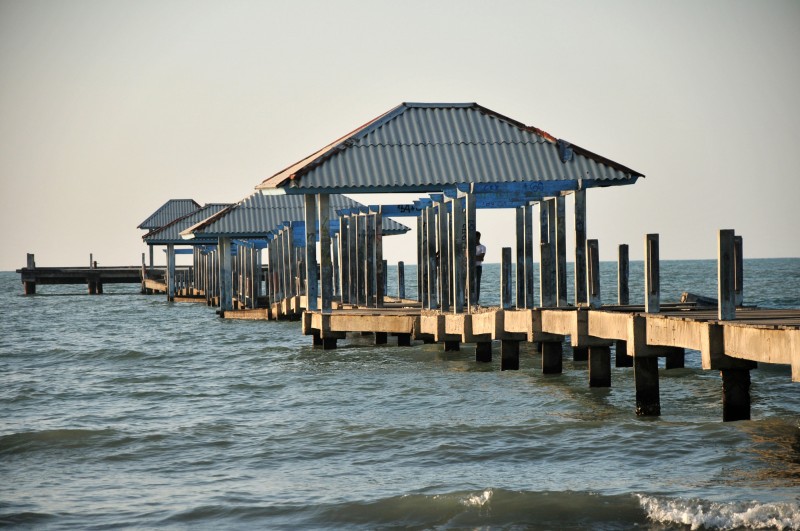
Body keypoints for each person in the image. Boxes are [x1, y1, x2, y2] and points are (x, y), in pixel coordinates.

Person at [475, 231, 486, 304]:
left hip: (478, 267)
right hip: (470, 267)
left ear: (478, 237)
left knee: (477, 284)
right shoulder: (469, 247)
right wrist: (477, 257)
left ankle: (476, 300)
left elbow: (481, 258)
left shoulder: (482, 247)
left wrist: (472, 257)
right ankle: (467, 299)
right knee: (468, 284)